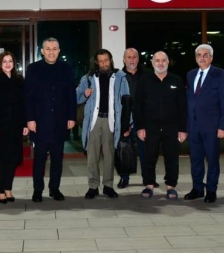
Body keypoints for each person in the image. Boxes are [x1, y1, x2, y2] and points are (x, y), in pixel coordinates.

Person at [25, 37, 77, 202]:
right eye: (48, 49)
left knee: (57, 159)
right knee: (39, 159)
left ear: (59, 51)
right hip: (40, 122)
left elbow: (71, 94)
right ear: (42, 51)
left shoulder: (66, 68)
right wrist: (30, 119)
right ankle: (37, 190)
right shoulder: (33, 69)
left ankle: (54, 188)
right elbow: (28, 96)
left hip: (60, 121)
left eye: (54, 49)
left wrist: (72, 116)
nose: (51, 52)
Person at [76, 49, 130, 199]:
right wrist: (84, 94)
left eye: (106, 60)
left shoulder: (120, 78)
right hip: (93, 121)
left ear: (110, 60)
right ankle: (93, 186)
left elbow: (127, 102)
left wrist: (127, 124)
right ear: (96, 62)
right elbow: (76, 98)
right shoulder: (88, 78)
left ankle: (108, 186)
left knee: (109, 155)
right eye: (101, 61)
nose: (104, 63)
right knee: (92, 156)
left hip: (111, 121)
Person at [134, 51, 187, 199]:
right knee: (149, 157)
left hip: (172, 127)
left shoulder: (176, 80)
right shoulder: (144, 81)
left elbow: (183, 106)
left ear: (168, 62)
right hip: (150, 127)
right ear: (152, 63)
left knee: (172, 158)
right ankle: (149, 185)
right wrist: (140, 127)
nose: (160, 63)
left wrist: (183, 128)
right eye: (157, 60)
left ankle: (171, 186)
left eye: (163, 60)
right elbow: (137, 106)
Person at [184, 44, 224, 203]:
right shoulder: (191, 74)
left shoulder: (220, 74)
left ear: (211, 57)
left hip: (212, 126)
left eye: (205, 55)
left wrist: (222, 126)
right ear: (195, 58)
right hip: (194, 126)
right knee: (195, 159)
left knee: (212, 160)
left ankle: (211, 190)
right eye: (199, 55)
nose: (202, 58)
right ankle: (197, 188)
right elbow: (190, 99)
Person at [0, 51, 28, 204]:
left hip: (16, 126)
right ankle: (0, 191)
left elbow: (24, 104)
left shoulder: (19, 80)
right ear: (0, 63)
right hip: (0, 126)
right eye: (4, 61)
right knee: (0, 160)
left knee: (12, 159)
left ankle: (8, 188)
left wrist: (25, 124)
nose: (8, 64)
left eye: (10, 61)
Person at [117, 47, 147, 189]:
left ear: (138, 59)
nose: (132, 60)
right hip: (125, 120)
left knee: (146, 152)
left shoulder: (147, 76)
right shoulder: (118, 76)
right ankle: (124, 178)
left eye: (134, 57)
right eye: (129, 57)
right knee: (125, 151)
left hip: (143, 120)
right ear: (124, 59)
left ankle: (148, 178)